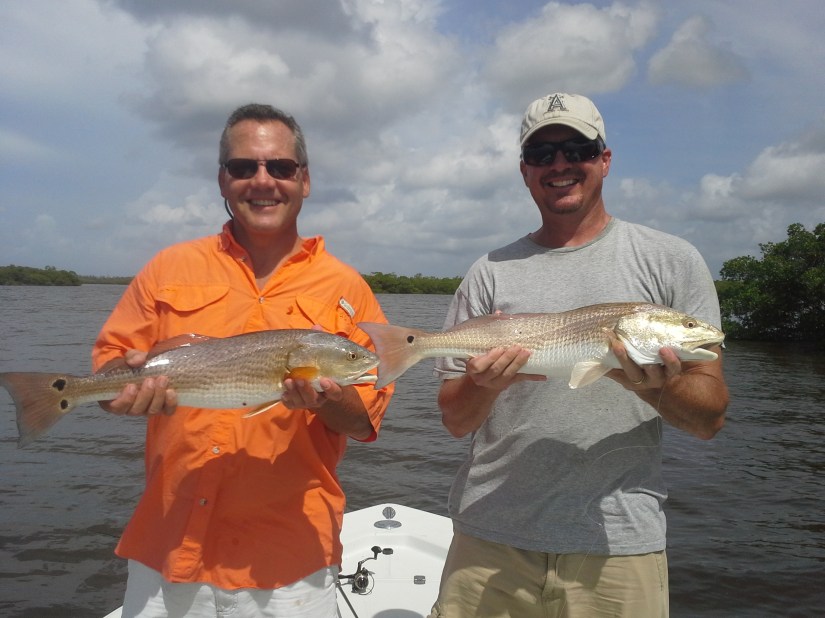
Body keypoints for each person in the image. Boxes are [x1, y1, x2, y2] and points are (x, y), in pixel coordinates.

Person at [428, 93, 729, 618]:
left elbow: (709, 419)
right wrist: (483, 385)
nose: (560, 164)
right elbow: (455, 420)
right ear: (525, 171)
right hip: (490, 534)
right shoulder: (488, 272)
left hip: (619, 543)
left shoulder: (672, 260)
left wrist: (659, 387)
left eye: (577, 148)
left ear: (604, 159)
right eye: (542, 155)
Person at [92, 103, 393, 617]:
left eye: (280, 167)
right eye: (243, 167)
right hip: (168, 545)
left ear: (304, 180)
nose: (263, 181)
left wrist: (326, 399)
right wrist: (122, 395)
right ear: (222, 180)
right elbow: (109, 374)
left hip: (287, 561)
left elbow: (365, 420)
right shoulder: (168, 266)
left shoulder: (347, 288)